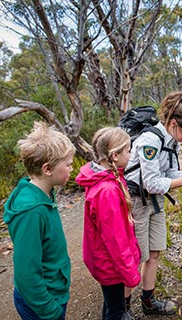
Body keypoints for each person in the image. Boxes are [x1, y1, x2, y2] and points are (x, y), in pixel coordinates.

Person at [124, 91, 182, 315]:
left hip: (155, 201)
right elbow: (151, 182)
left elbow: (169, 172)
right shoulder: (151, 141)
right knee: (136, 256)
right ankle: (121, 309)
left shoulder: (172, 141)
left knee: (154, 253)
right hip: (138, 200)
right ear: (173, 123)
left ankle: (148, 301)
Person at [3, 121, 76, 320]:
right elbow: (26, 274)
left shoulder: (44, 193)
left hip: (53, 291)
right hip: (43, 303)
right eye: (68, 165)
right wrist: (49, 310)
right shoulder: (31, 212)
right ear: (47, 169)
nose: (71, 169)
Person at [75, 127, 141, 320]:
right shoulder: (107, 190)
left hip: (108, 262)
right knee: (116, 312)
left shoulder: (108, 178)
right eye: (127, 150)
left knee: (112, 305)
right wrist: (130, 272)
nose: (130, 154)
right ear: (114, 156)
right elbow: (115, 238)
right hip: (110, 265)